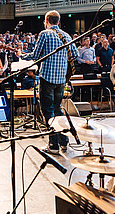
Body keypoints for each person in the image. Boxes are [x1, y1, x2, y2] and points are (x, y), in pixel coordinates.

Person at [18, 10, 78, 154]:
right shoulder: (66, 35)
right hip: (61, 79)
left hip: (47, 78)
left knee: (48, 111)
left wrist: (22, 55)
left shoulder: (45, 34)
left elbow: (36, 56)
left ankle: (53, 145)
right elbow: (75, 54)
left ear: (46, 21)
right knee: (58, 109)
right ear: (59, 21)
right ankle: (64, 142)